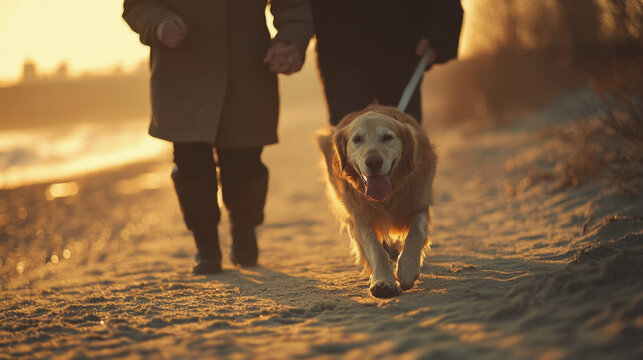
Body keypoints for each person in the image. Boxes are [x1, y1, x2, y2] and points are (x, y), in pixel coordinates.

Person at [123, 0, 313, 274]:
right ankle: (206, 247)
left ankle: (244, 231)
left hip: (247, 70)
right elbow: (138, 5)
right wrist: (159, 24)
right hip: (182, 72)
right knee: (190, 164)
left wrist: (290, 41)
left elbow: (292, 6)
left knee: (245, 166)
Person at [310, 0, 464, 125]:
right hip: (340, 51)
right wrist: (293, 42)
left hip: (403, 52)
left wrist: (439, 33)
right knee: (350, 139)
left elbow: (447, 6)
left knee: (405, 139)